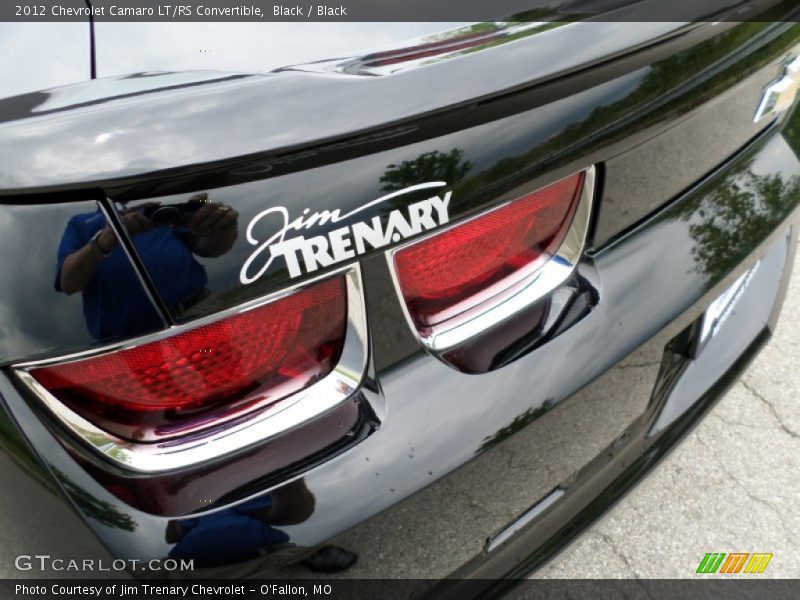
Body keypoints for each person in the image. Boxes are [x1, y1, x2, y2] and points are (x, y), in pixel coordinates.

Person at [55, 193, 238, 339]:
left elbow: (211, 250)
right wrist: (106, 238)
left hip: (199, 315)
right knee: (151, 386)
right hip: (129, 341)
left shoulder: (160, 209)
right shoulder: (80, 223)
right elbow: (69, 283)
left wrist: (221, 224)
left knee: (224, 367)